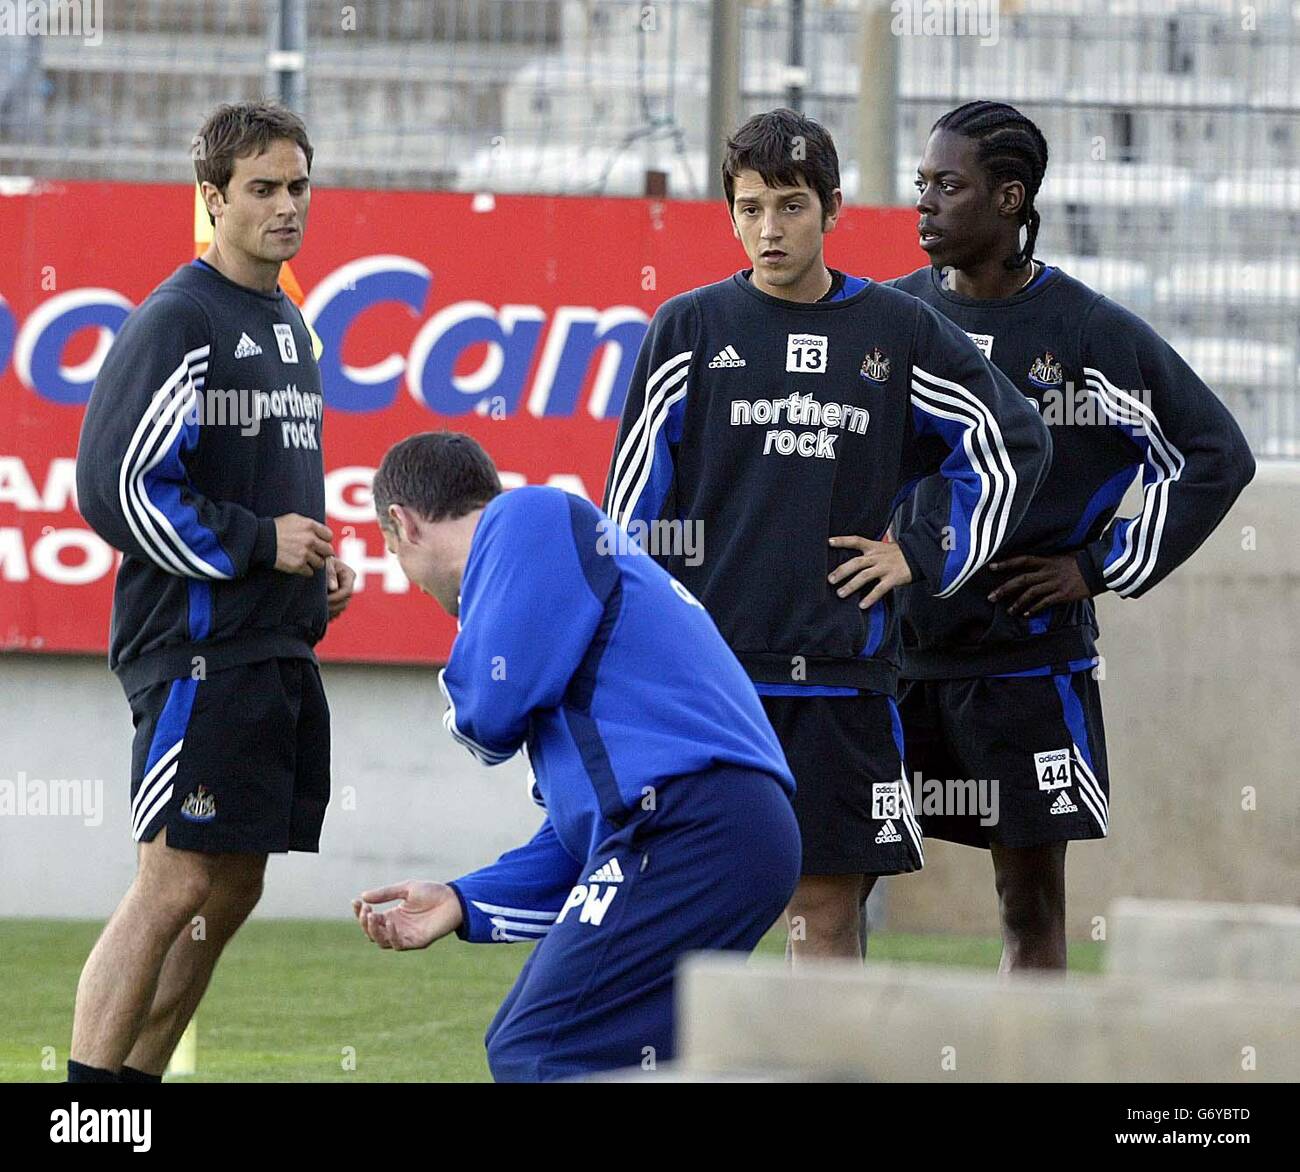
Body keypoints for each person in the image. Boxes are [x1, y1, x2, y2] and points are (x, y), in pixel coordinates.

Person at [603, 108, 1052, 962]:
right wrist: (636, 651)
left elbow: (1011, 440)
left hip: (841, 674)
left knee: (825, 905)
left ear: (833, 208)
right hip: (711, 676)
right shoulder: (688, 329)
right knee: (697, 900)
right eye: (749, 208)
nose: (769, 229)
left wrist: (920, 555)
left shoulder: (898, 329)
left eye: (791, 206)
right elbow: (631, 512)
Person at [889, 100, 1255, 970]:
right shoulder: (893, 318)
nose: (926, 204)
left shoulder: (1087, 333)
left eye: (950, 185)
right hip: (891, 661)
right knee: (837, 888)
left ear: (1011, 198)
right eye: (921, 184)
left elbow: (1215, 455)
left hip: (1023, 667)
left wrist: (1097, 566)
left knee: (1029, 905)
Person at [353, 431, 800, 1082]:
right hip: (717, 831)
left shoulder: (528, 514)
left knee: (542, 1048)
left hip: (695, 825)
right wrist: (462, 899)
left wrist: (461, 699)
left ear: (402, 523)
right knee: (620, 1059)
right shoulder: (561, 618)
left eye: (392, 554)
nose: (412, 583)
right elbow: (579, 844)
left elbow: (487, 713)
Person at [70, 100, 355, 1082]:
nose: (285, 207)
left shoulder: (289, 323)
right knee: (175, 877)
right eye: (262, 189)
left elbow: (273, 495)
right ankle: (86, 1104)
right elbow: (114, 485)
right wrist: (253, 543)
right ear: (211, 198)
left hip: (270, 644)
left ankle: (130, 1098)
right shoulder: (179, 317)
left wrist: (312, 571)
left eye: (298, 186)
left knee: (232, 884)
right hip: (191, 648)